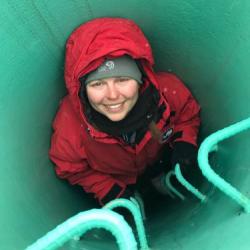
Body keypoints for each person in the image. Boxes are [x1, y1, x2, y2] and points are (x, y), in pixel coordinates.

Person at [49, 17, 201, 207]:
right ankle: (137, 192)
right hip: (119, 178)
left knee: (156, 169)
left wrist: (185, 141)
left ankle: (156, 177)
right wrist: (110, 190)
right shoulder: (70, 127)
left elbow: (187, 113)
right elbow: (71, 168)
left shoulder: (166, 93)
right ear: (83, 90)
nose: (112, 95)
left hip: (156, 158)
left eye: (122, 79)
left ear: (140, 80)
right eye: (98, 84)